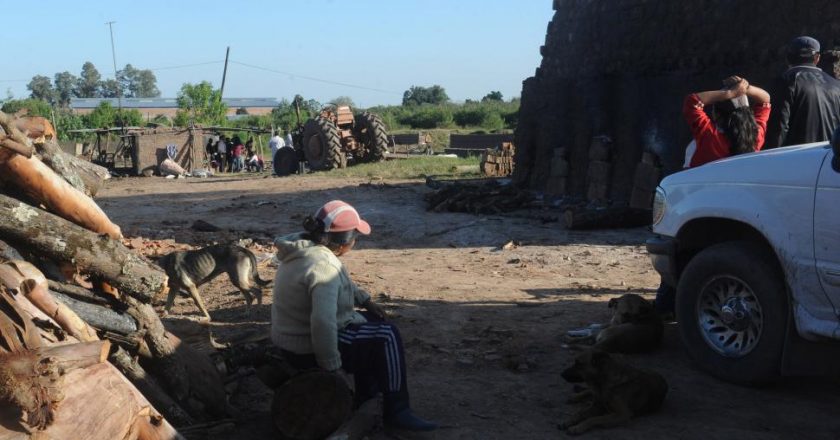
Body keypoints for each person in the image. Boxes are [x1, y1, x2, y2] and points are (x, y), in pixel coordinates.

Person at [271, 201, 437, 432]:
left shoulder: (304, 251)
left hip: (290, 338)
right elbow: (322, 322)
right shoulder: (324, 264)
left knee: (373, 325)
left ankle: (367, 396)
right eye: (355, 237)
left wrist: (365, 300)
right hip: (306, 346)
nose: (355, 242)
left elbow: (340, 283)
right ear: (344, 242)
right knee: (387, 335)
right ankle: (397, 410)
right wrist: (331, 367)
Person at [655, 76, 771, 316]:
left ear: (717, 114)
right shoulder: (755, 137)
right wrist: (745, 90)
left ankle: (667, 308)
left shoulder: (710, 137)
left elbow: (693, 101)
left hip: (696, 204)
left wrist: (728, 93)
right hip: (738, 209)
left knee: (682, 257)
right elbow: (766, 100)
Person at [766, 36, 840, 148]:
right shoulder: (836, 85)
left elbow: (779, 127)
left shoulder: (786, 81)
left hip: (797, 158)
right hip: (828, 157)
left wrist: (769, 157)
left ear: (788, 58)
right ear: (817, 58)